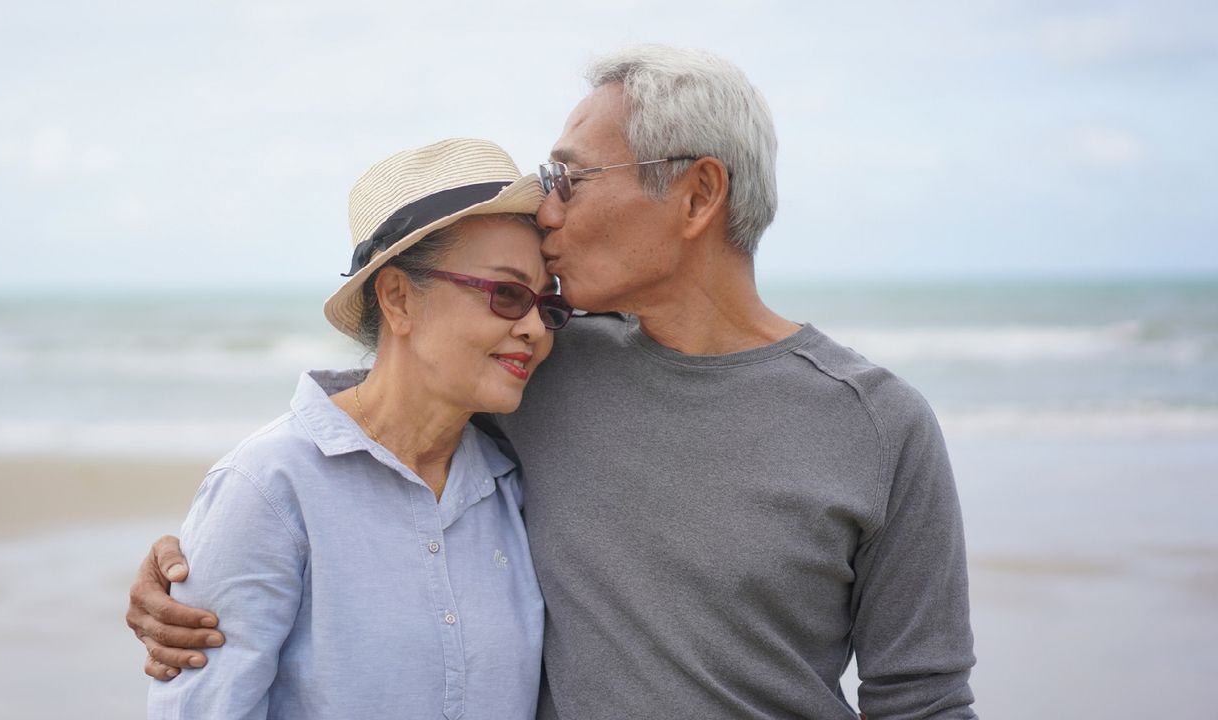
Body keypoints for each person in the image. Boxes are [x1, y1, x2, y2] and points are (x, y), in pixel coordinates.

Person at [129, 46, 977, 719]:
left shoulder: (878, 425)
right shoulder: (538, 373)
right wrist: (203, 565)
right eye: (509, 296)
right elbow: (381, 414)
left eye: (569, 178)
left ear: (697, 195)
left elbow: (924, 701)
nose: (548, 211)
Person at [143, 137, 574, 718]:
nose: (536, 330)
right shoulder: (268, 487)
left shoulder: (512, 488)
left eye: (547, 306)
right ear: (397, 298)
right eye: (505, 294)